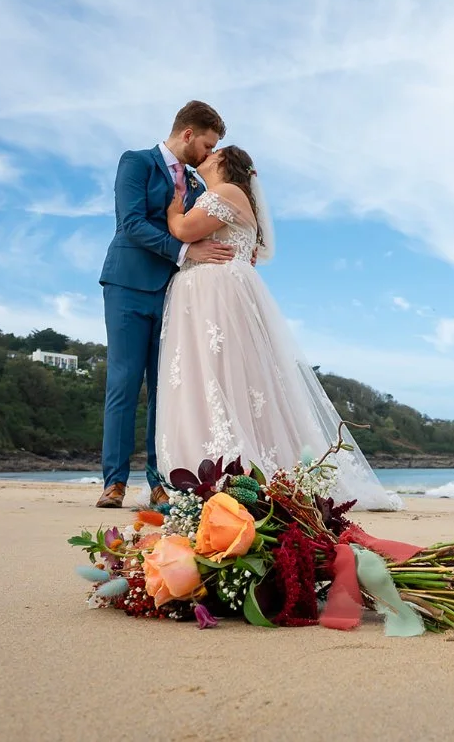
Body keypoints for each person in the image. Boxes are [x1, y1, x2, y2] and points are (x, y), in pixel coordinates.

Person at [155, 145, 403, 511]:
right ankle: (218, 469)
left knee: (216, 377)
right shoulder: (224, 197)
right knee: (218, 380)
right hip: (213, 295)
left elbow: (183, 229)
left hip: (216, 297)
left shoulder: (226, 192)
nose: (206, 156)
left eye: (214, 152)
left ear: (227, 164)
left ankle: (227, 470)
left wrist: (174, 209)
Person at [95, 101, 235, 509]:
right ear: (188, 134)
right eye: (207, 145)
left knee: (165, 389)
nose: (209, 155)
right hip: (127, 284)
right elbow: (131, 223)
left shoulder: (196, 187)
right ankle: (114, 482)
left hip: (175, 294)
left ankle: (159, 482)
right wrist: (185, 251)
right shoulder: (136, 162)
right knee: (123, 383)